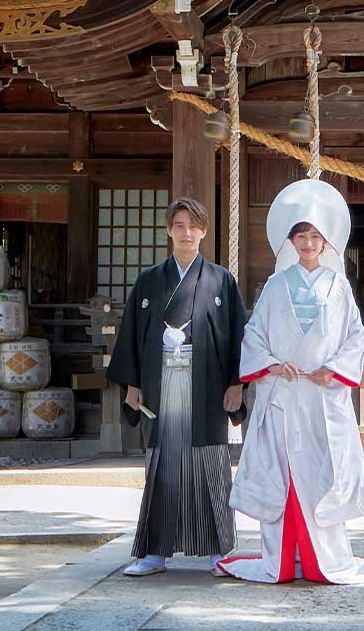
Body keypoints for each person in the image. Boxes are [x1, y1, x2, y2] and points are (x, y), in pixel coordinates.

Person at [216, 178, 364, 585]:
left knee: (323, 475)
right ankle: (279, 558)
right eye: (301, 235)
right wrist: (273, 365)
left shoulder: (340, 287)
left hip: (322, 395)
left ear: (326, 241)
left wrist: (332, 369)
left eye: (315, 235)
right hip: (282, 393)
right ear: (291, 241)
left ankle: (324, 559)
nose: (308, 242)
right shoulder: (275, 286)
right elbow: (254, 335)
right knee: (281, 474)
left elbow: (355, 336)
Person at [105, 196, 248, 576]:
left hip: (208, 386)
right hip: (160, 381)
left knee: (211, 465)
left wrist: (236, 383)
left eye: (194, 226)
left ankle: (219, 549)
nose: (187, 233)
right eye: (179, 225)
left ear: (204, 231)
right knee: (162, 465)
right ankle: (155, 553)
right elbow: (132, 335)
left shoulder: (221, 280)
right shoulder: (150, 280)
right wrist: (132, 383)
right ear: (169, 230)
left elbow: (237, 337)